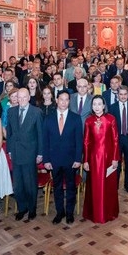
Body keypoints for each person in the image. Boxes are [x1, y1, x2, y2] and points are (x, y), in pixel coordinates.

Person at [42, 91, 83, 224]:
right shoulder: (48, 118)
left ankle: (70, 213)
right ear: (56, 100)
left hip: (70, 160)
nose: (64, 102)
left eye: (66, 99)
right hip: (54, 160)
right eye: (61, 99)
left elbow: (79, 141)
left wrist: (78, 159)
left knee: (71, 187)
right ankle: (60, 212)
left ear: (69, 101)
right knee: (57, 187)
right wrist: (46, 160)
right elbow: (45, 141)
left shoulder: (76, 118)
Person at [5, 89, 44, 222]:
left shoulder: (36, 112)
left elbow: (40, 134)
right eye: (19, 97)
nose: (21, 100)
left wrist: (40, 153)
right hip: (15, 152)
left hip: (30, 153)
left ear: (28, 98)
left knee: (30, 184)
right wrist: (9, 150)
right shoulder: (11, 111)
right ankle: (22, 208)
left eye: (24, 97)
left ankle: (32, 209)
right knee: (18, 185)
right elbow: (9, 133)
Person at [83, 95, 120, 223]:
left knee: (108, 185)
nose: (97, 107)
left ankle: (108, 212)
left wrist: (115, 158)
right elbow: (86, 142)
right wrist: (85, 160)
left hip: (108, 157)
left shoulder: (111, 119)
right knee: (94, 185)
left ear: (104, 105)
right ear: (91, 106)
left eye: (99, 104)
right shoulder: (88, 121)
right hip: (93, 159)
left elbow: (115, 140)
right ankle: (94, 213)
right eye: (94, 104)